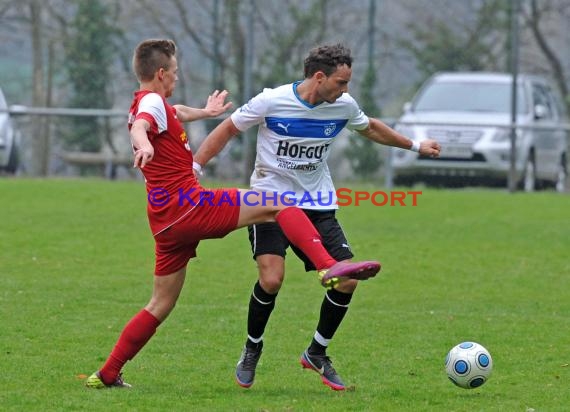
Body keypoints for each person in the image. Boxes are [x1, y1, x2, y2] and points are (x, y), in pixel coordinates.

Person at [85, 39, 381, 389]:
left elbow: (172, 111)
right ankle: (327, 265)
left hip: (165, 222)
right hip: (189, 205)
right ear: (161, 73)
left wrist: (206, 114)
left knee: (160, 304)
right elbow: (143, 126)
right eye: (175, 72)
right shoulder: (150, 105)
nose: (177, 78)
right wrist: (144, 142)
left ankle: (108, 372)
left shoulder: (147, 103)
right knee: (276, 201)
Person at [193, 43, 441, 391]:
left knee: (348, 280)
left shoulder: (342, 106)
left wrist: (414, 146)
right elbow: (228, 129)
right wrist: (195, 167)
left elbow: (369, 127)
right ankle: (252, 349)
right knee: (272, 279)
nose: (345, 90)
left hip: (317, 204)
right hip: (268, 202)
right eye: (341, 82)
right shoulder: (272, 101)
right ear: (319, 76)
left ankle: (316, 353)